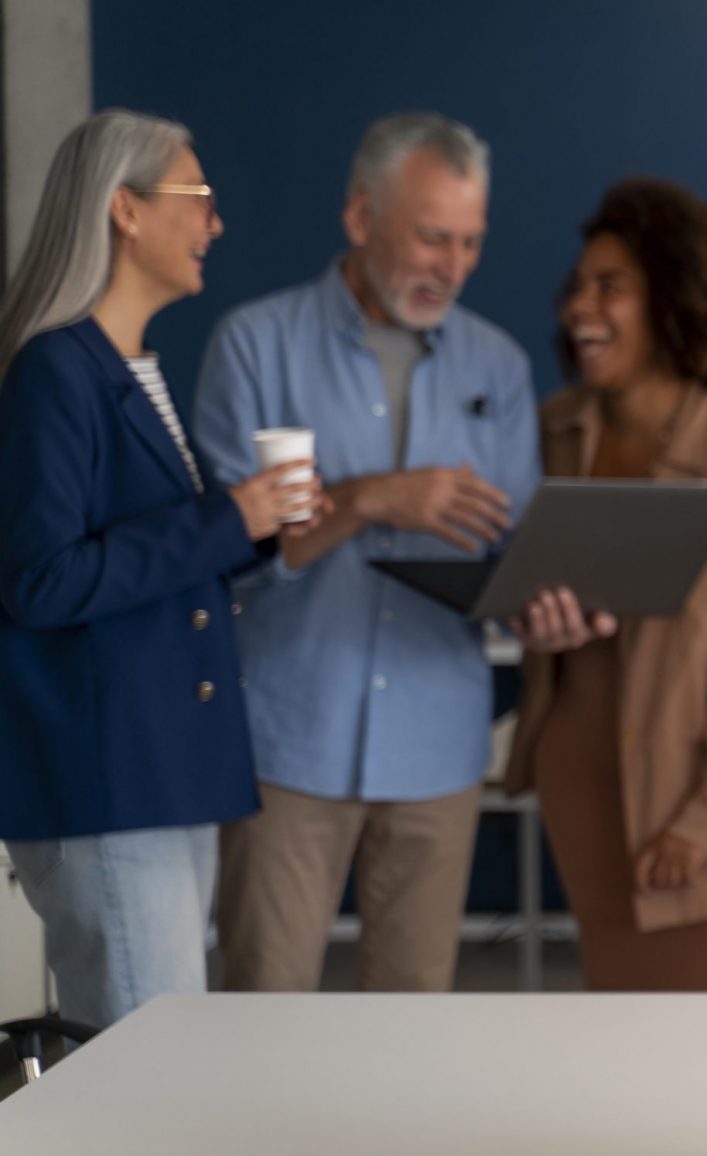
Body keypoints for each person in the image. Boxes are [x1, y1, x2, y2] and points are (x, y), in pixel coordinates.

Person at [191, 113, 540, 993]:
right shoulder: (253, 345)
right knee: (261, 1011)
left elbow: (513, 545)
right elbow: (225, 549)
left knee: (410, 1030)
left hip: (438, 746)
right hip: (288, 739)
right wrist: (378, 497)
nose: (452, 267)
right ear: (359, 219)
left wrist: (549, 598)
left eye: (469, 242)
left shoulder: (496, 365)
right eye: (431, 237)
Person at [0, 110, 322, 1027]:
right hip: (110, 783)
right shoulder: (54, 373)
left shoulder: (129, 368)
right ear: (125, 211)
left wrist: (260, 531)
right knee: (149, 1071)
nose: (215, 223)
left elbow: (154, 560)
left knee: (163, 1056)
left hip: (163, 774)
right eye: (200, 198)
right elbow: (40, 581)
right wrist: (233, 515)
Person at [503, 178, 707, 990]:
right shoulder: (549, 434)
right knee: (623, 1065)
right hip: (589, 800)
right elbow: (522, 595)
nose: (580, 307)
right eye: (577, 287)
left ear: (676, 299)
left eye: (611, 287)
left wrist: (705, 820)